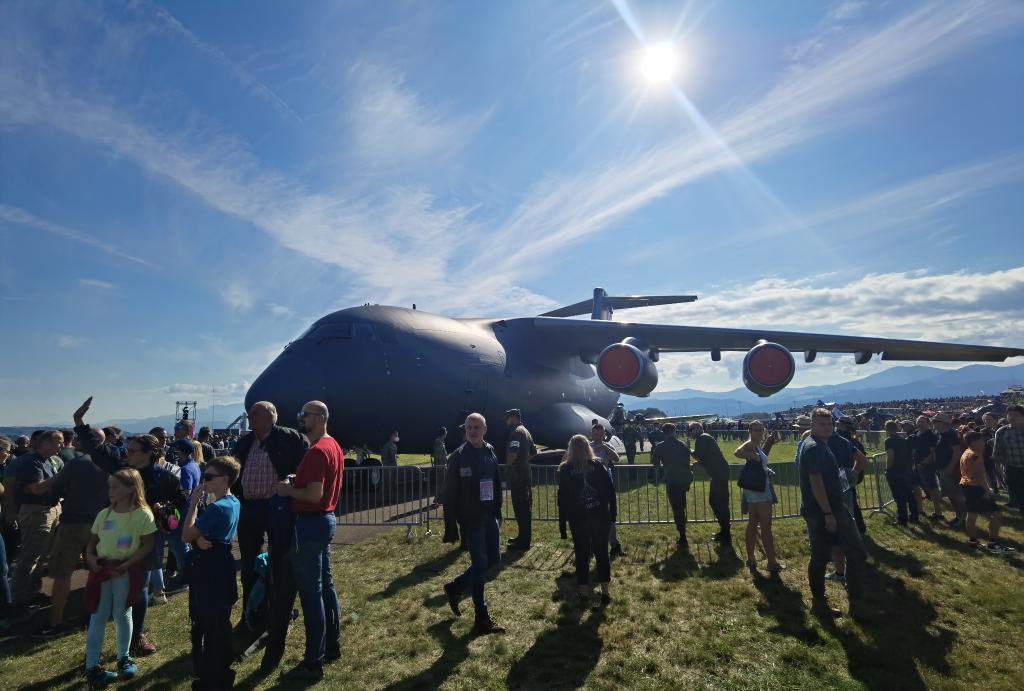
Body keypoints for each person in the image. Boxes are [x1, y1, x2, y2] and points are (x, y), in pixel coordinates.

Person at [74, 398, 184, 657]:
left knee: (139, 588)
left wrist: (166, 512)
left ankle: (137, 636)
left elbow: (180, 507)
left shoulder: (165, 478)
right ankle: (95, 644)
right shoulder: (120, 469)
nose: (128, 453)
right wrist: (79, 422)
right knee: (105, 586)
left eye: (134, 450)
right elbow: (96, 448)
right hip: (114, 536)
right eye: (128, 448)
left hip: (146, 540)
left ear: (150, 453)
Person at [273, 401, 343, 681]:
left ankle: (313, 662)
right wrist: (297, 481)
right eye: (299, 414)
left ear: (322, 417)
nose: (300, 418)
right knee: (326, 587)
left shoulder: (316, 451)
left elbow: (314, 495)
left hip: (310, 524)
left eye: (306, 415)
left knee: (311, 595)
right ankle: (332, 644)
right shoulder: (333, 446)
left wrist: (288, 490)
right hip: (325, 520)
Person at [230, 401, 308, 615]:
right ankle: (252, 610)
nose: (249, 417)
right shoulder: (245, 442)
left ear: (270, 417)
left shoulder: (290, 438)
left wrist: (291, 485)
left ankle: (280, 611)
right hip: (249, 507)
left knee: (280, 562)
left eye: (254, 414)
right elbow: (233, 470)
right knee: (248, 565)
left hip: (278, 508)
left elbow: (304, 469)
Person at [30, 427, 109, 637]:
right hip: (100, 523)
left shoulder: (76, 464)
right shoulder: (111, 463)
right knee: (98, 569)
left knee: (62, 574)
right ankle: (95, 613)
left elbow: (53, 488)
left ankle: (56, 622)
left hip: (73, 522)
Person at [83, 469, 155, 688]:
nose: (111, 491)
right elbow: (92, 542)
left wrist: (129, 563)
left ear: (131, 489)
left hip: (124, 571)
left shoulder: (142, 515)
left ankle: (124, 657)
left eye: (116, 487)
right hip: (102, 570)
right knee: (98, 615)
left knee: (122, 613)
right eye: (110, 487)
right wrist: (90, 558)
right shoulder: (104, 514)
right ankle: (92, 666)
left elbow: (148, 543)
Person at [797, 408, 867, 618]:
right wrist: (828, 513)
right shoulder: (814, 448)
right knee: (852, 553)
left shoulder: (820, 445)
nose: (827, 428)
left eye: (829, 425)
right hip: (825, 511)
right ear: (812, 425)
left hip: (828, 508)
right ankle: (849, 602)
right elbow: (816, 482)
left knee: (824, 555)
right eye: (822, 424)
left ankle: (826, 603)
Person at [442, 413, 505, 635]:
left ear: (485, 429)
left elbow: (496, 483)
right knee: (479, 565)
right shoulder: (458, 458)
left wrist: (498, 512)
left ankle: (455, 586)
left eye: (477, 427)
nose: (473, 431)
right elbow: (449, 495)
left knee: (493, 559)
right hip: (472, 520)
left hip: (490, 516)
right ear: (465, 430)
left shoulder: (490, 451)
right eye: (469, 427)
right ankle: (482, 617)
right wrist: (452, 527)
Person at [182, 456, 242, 689]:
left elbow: (185, 534)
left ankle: (209, 672)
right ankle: (220, 667)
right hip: (223, 563)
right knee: (219, 619)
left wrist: (194, 504)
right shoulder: (233, 502)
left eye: (208, 477)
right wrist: (199, 538)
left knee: (207, 621)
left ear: (224, 479)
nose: (204, 481)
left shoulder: (217, 508)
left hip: (209, 569)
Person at [8, 430, 63, 613]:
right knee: (30, 556)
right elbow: (36, 489)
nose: (61, 446)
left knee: (41, 554)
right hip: (36, 511)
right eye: (58, 442)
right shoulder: (31, 462)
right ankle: (18, 599)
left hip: (50, 509)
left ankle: (32, 592)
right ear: (44, 443)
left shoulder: (49, 461)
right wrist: (61, 477)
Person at [558, 435, 616, 605]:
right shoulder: (598, 466)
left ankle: (583, 593)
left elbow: (562, 499)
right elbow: (610, 490)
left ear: (571, 450)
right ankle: (605, 592)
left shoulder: (566, 470)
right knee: (602, 554)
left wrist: (563, 525)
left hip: (578, 519)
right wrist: (612, 514)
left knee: (582, 555)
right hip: (600, 517)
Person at [735, 421, 783, 573]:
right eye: (756, 430)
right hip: (759, 491)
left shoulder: (756, 445)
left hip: (754, 489)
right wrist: (753, 456)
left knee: (752, 523)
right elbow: (737, 452)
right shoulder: (750, 444)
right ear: (749, 430)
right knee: (766, 526)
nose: (759, 433)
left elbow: (759, 462)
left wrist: (766, 468)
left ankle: (751, 558)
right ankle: (772, 562)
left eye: (761, 430)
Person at [959, 432, 1015, 555]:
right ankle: (993, 544)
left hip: (966, 485)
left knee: (972, 513)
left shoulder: (966, 452)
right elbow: (979, 475)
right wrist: (987, 491)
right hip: (976, 488)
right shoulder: (975, 455)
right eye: (982, 441)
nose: (984, 444)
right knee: (996, 514)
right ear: (974, 442)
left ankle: (973, 541)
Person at [688, 422, 732, 543]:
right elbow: (706, 457)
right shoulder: (705, 437)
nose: (689, 432)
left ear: (697, 429)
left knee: (717, 502)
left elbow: (698, 456)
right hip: (719, 472)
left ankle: (726, 533)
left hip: (719, 473)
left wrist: (688, 450)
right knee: (718, 501)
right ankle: (724, 531)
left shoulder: (702, 438)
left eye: (690, 429)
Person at [651, 424, 693, 548]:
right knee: (681, 504)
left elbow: (655, 462)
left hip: (672, 479)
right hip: (684, 479)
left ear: (664, 433)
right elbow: (687, 459)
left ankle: (682, 535)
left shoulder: (660, 446)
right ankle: (683, 528)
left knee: (677, 508)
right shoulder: (682, 445)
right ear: (674, 431)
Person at [504, 409, 536, 550]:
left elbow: (512, 453)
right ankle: (522, 537)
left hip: (518, 475)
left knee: (521, 507)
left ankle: (523, 542)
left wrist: (509, 466)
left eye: (508, 419)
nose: (506, 422)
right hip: (525, 472)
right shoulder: (526, 431)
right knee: (524, 506)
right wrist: (523, 461)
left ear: (513, 418)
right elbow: (533, 452)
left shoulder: (516, 432)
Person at [590, 425, 623, 556]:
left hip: (606, 485)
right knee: (591, 516)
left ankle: (614, 544)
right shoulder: (587, 446)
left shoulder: (608, 446)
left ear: (604, 435)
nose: (598, 437)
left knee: (609, 516)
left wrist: (605, 447)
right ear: (592, 434)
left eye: (601, 434)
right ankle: (592, 545)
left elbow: (616, 458)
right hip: (591, 485)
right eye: (596, 434)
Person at [932, 412, 967, 528]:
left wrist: (950, 467)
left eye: (936, 421)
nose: (934, 423)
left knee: (956, 494)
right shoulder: (939, 433)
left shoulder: (950, 434)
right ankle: (958, 516)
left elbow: (957, 452)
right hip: (942, 468)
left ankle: (963, 518)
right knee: (951, 494)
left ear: (943, 423)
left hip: (949, 468)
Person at [883, 420, 919, 526]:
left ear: (887, 429)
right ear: (896, 428)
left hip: (894, 471)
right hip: (905, 470)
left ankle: (902, 519)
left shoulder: (888, 441)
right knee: (909, 494)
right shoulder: (904, 440)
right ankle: (914, 516)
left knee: (899, 497)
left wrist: (887, 469)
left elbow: (891, 457)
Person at [909, 415, 944, 521]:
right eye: (918, 421)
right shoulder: (916, 433)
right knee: (916, 487)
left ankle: (938, 513)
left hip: (927, 466)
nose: (920, 424)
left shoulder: (930, 435)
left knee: (933, 489)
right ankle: (920, 509)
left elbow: (933, 452)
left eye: (923, 422)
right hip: (916, 465)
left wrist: (924, 463)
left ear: (928, 424)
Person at [992, 404, 1024, 514]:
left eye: (1015, 415)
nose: (1011, 417)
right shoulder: (1001, 432)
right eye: (1009, 415)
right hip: (1013, 469)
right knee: (1019, 494)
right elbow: (997, 453)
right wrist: (998, 470)